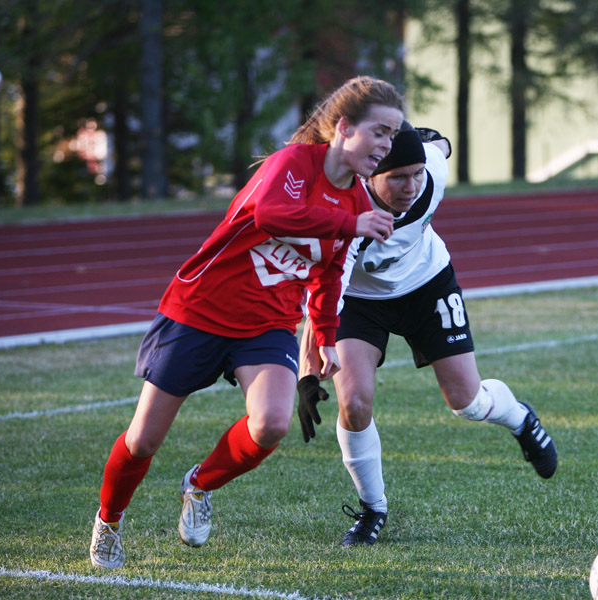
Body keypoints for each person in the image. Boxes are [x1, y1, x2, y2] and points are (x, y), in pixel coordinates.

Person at [89, 76, 405, 569]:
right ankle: (109, 520)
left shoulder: (359, 203)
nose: (386, 145)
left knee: (272, 424)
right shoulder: (293, 164)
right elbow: (272, 215)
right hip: (198, 311)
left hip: (267, 323)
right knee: (143, 439)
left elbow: (328, 274)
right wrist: (349, 223)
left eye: (392, 135)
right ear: (344, 127)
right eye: (379, 132)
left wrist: (325, 338)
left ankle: (199, 485)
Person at [297, 123, 558, 546]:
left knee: (467, 402)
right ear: (369, 174)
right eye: (398, 177)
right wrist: (308, 372)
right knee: (355, 401)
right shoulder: (342, 212)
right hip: (360, 301)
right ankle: (373, 508)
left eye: (416, 174)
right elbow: (324, 295)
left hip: (427, 284)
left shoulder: (431, 173)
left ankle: (519, 418)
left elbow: (439, 147)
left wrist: (428, 140)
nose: (411, 186)